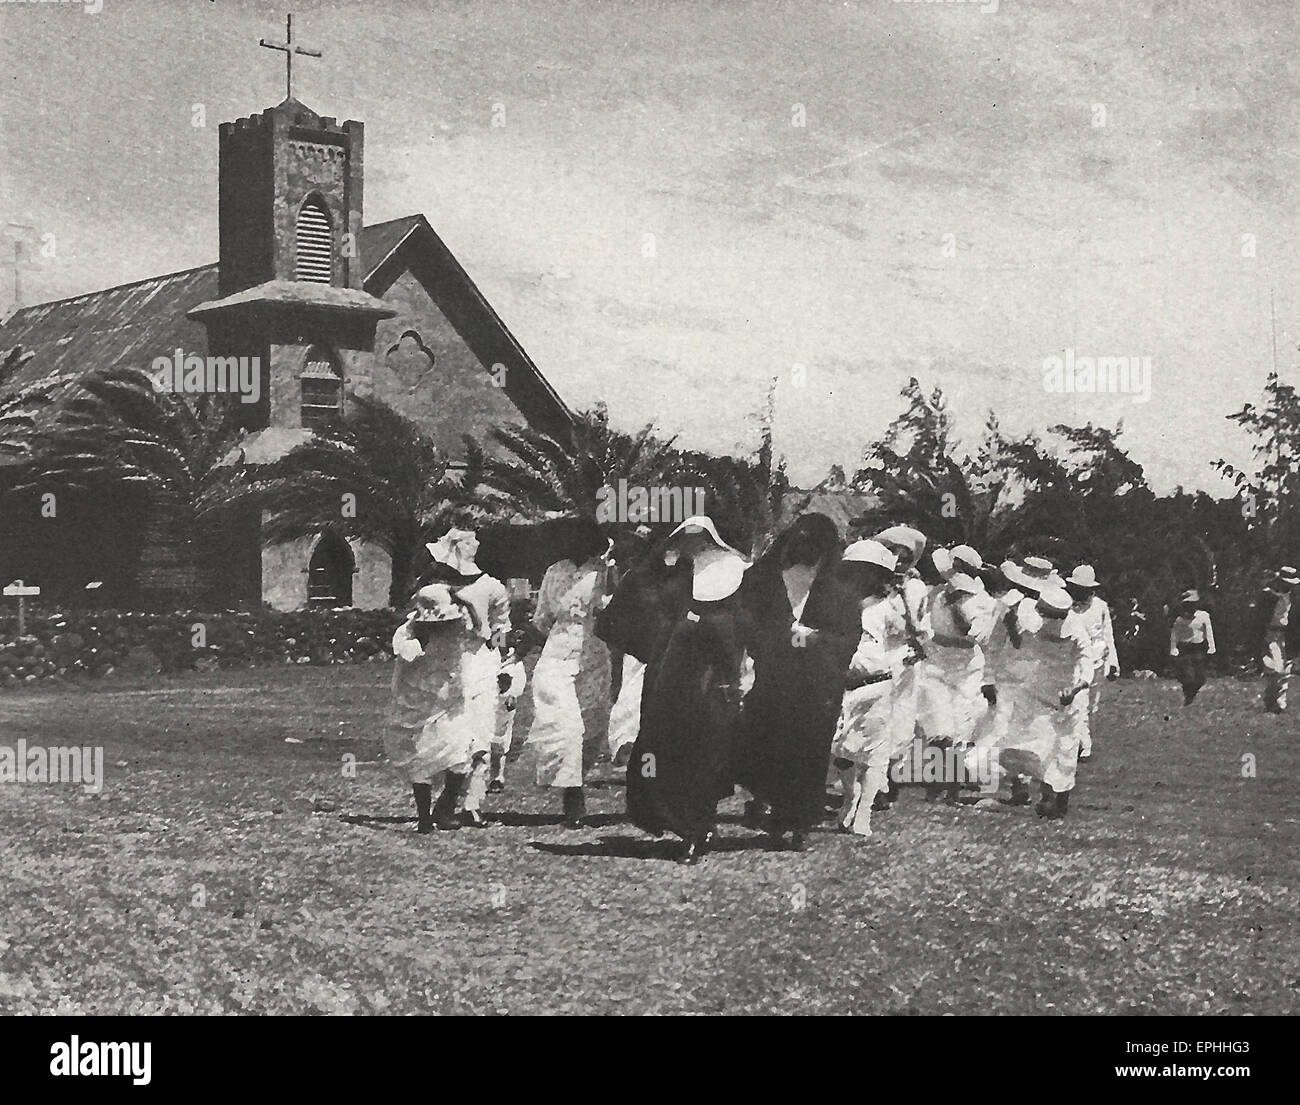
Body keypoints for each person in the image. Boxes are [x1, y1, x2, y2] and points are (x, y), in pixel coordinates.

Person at [622, 518, 753, 864]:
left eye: (698, 537)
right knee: (661, 748)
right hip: (670, 672)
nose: (692, 544)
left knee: (703, 753)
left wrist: (707, 628)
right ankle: (673, 819)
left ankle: (697, 829)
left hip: (712, 675)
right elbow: (648, 601)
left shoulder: (736, 570)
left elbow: (743, 625)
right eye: (685, 537)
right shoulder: (677, 571)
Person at [737, 513, 867, 850]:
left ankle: (795, 823)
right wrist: (779, 641)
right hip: (774, 679)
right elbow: (748, 624)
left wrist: (814, 640)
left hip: (818, 685)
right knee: (771, 745)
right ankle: (770, 805)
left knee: (808, 753)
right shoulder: (764, 580)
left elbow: (848, 637)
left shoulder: (838, 591)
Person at [420, 526, 512, 828]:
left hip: (481, 664)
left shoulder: (493, 587)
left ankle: (470, 803)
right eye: (472, 540)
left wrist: (499, 660)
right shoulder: (436, 585)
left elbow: (501, 630)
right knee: (451, 736)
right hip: (448, 666)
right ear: (459, 546)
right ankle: (442, 800)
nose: (479, 544)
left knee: (482, 735)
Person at [525, 518, 615, 828]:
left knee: (591, 727)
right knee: (567, 726)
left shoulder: (603, 572)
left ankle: (576, 780)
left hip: (593, 654)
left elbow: (615, 609)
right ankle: (573, 798)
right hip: (557, 654)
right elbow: (541, 620)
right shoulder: (554, 572)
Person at [831, 540, 922, 837]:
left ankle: (864, 813)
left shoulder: (887, 606)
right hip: (843, 684)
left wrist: (906, 604)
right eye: (856, 570)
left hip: (877, 683)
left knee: (873, 754)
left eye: (867, 571)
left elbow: (913, 633)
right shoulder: (836, 602)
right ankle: (850, 796)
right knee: (841, 749)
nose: (860, 576)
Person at [980, 582, 1091, 820]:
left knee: (1065, 750)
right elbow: (1020, 644)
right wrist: (1010, 623)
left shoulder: (1077, 631)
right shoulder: (1032, 622)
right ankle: (1047, 798)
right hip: (1039, 693)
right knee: (1040, 746)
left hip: (1068, 695)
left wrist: (1076, 688)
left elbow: (1087, 664)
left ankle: (1059, 804)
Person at [385, 583, 486, 833]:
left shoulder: (459, 625)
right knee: (423, 754)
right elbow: (405, 653)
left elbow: (484, 635)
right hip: (423, 699)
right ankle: (424, 818)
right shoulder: (411, 630)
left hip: (450, 698)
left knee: (460, 751)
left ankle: (443, 807)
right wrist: (421, 637)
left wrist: (469, 605)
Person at [914, 547, 997, 802]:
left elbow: (977, 636)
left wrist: (956, 607)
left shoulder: (985, 602)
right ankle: (935, 784)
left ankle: (951, 787)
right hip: (936, 661)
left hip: (966, 668)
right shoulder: (936, 593)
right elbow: (923, 624)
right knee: (938, 724)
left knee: (962, 725)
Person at [870, 525, 932, 811]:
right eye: (893, 553)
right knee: (875, 719)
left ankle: (890, 780)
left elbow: (921, 625)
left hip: (906, 659)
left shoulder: (916, 588)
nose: (898, 561)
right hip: (878, 656)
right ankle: (874, 784)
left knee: (902, 720)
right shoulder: (871, 585)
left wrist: (918, 642)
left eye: (905, 557)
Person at [1064, 564, 1119, 762]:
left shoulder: (1100, 606)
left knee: (1090, 706)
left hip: (1099, 661)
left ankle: (1080, 740)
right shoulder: (1069, 607)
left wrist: (1113, 662)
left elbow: (1108, 634)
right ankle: (1084, 747)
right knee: (1080, 702)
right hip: (1079, 661)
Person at [1254, 567, 1299, 713]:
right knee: (1276, 669)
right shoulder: (1268, 595)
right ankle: (1274, 700)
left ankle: (1275, 700)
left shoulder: (1288, 595)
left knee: (1283, 669)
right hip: (1269, 634)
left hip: (1281, 634)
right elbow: (1259, 619)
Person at [1168, 589, 1215, 705]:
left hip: (1199, 648)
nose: (1190, 607)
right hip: (1185, 648)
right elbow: (1175, 634)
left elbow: (1208, 631)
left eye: (1193, 604)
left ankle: (1190, 694)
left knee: (1200, 677)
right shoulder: (1180, 620)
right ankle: (1188, 695)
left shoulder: (1203, 616)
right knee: (1188, 675)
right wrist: (1173, 648)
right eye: (1187, 605)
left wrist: (1211, 646)